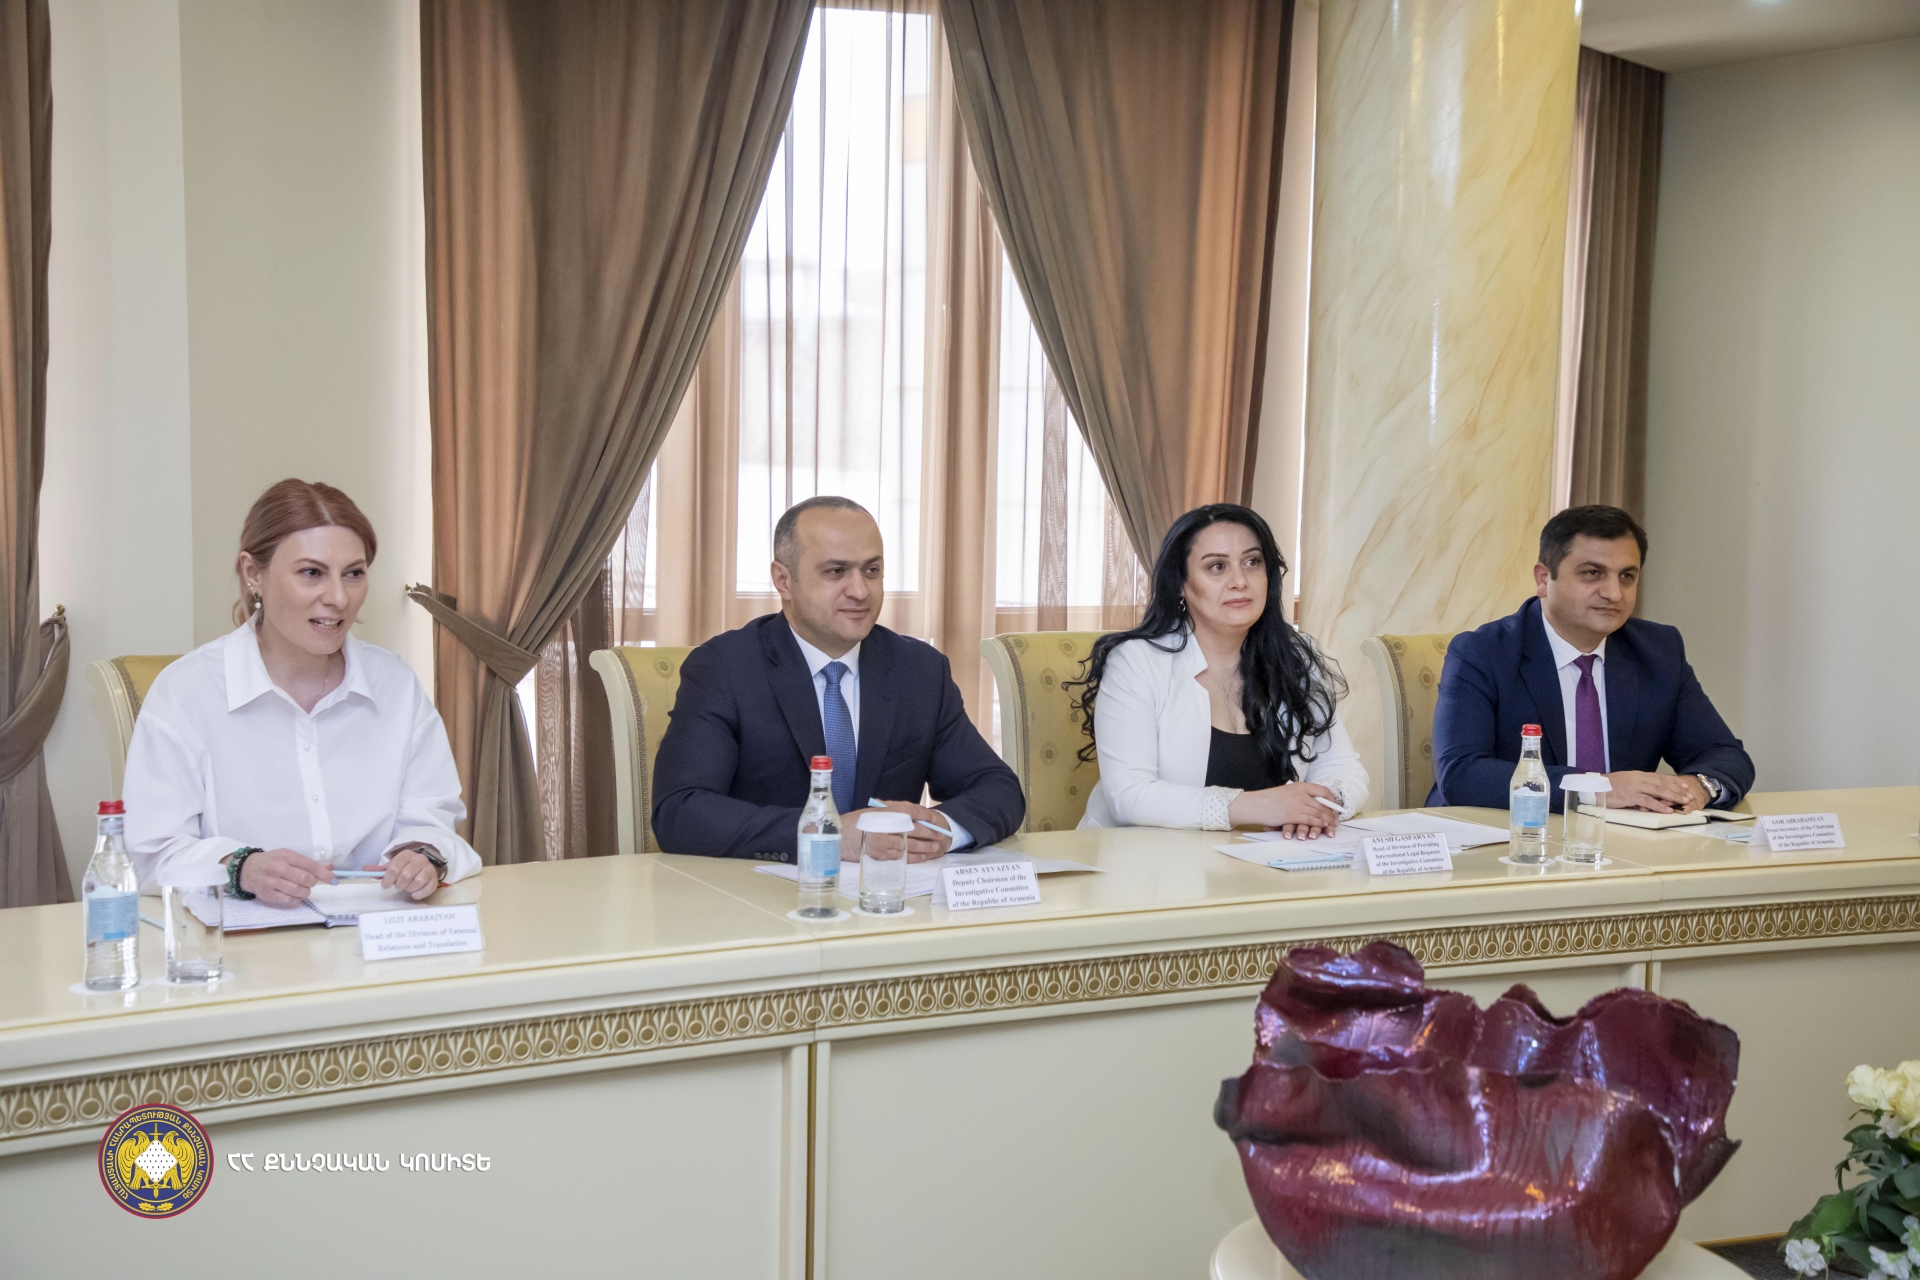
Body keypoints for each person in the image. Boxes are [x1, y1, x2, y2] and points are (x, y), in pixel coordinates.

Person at [124, 480, 481, 907]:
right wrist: (242, 868)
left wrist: (422, 855)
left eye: (353, 574)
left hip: (377, 932)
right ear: (253, 573)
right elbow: (153, 856)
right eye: (312, 573)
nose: (338, 598)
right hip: (244, 940)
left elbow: (434, 819)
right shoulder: (186, 692)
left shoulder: (397, 686)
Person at [652, 496, 1025, 860]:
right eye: (835, 572)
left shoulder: (919, 670)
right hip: (760, 891)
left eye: (871, 571)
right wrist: (825, 834)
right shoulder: (725, 668)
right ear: (783, 580)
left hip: (888, 893)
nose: (860, 591)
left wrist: (941, 829)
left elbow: (998, 788)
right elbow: (680, 811)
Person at [1429, 504, 1755, 813]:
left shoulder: (1658, 651)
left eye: (1627, 576)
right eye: (1592, 573)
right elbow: (1462, 773)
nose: (1614, 593)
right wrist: (1596, 788)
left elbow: (1723, 753)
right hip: (1504, 836)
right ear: (1543, 578)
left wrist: (1698, 787)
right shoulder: (1483, 652)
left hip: (1620, 841)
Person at [1070, 504, 1368, 835]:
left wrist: (1318, 807)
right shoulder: (1136, 661)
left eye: (1252, 562)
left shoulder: (1296, 655)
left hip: (1266, 859)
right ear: (1181, 583)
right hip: (1143, 861)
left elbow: (1344, 768)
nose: (1240, 581)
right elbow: (1128, 796)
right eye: (1217, 566)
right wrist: (1258, 805)